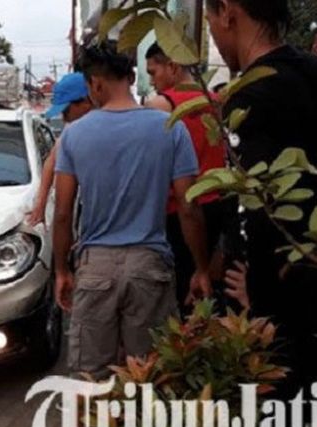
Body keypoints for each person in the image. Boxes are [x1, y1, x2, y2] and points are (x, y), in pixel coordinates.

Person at [205, 0, 317, 427]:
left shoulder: (250, 95)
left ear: (228, 11)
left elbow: (256, 211)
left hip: (271, 316)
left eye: (209, 19)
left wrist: (259, 295)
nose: (213, 31)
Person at [53, 41, 212, 381]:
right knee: (153, 376)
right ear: (130, 75)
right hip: (150, 265)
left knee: (89, 380)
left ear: (95, 84)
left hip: (95, 266)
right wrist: (200, 268)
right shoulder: (170, 127)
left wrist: (61, 271)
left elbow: (64, 213)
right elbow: (188, 207)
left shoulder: (73, 136)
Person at [145, 42, 227, 309]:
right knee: (209, 296)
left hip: (179, 211)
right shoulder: (217, 102)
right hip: (217, 206)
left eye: (153, 72)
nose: (152, 81)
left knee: (178, 295)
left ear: (172, 66)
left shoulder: (161, 105)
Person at [29, 73, 93, 226]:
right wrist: (40, 204)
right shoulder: (72, 131)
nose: (64, 119)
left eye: (66, 111)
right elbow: (51, 160)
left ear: (85, 102)